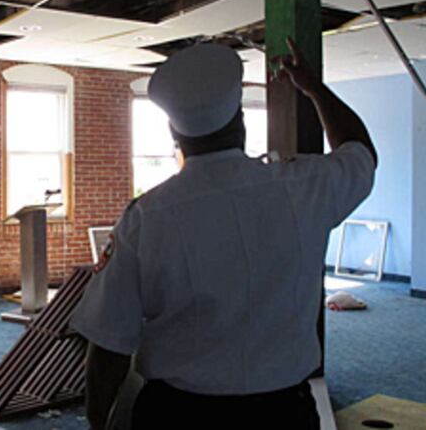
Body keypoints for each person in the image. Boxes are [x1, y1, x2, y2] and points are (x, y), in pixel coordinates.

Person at [70, 38, 377, 429]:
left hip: (180, 415)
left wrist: (99, 421)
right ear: (241, 121)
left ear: (174, 134)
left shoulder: (146, 218)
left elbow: (109, 343)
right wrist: (313, 88)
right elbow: (360, 152)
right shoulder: (303, 186)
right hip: (284, 414)